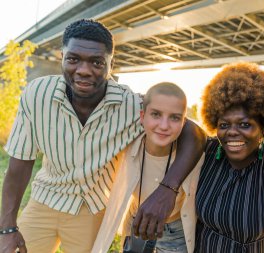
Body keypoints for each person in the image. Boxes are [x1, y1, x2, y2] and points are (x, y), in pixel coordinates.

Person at [0, 19, 204, 253]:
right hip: (43, 200)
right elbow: (20, 163)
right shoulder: (37, 94)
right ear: (62, 57)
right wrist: (6, 228)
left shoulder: (129, 104)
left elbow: (193, 132)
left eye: (97, 62)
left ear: (110, 64)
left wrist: (167, 190)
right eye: (73, 59)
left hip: (92, 208)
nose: (84, 70)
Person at [194, 62, 264, 253]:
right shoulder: (206, 153)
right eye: (224, 125)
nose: (232, 132)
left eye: (244, 124)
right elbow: (181, 129)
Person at [92, 82, 204, 253]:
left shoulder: (193, 155)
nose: (164, 125)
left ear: (184, 122)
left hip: (175, 231)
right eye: (156, 115)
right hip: (137, 223)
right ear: (142, 116)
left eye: (174, 118)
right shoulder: (126, 143)